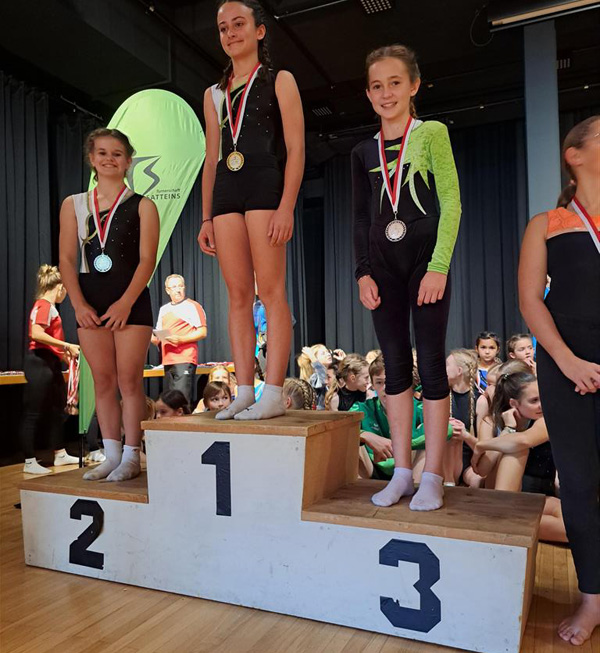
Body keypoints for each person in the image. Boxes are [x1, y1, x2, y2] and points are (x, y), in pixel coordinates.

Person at [352, 45, 461, 511]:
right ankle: (401, 472)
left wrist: (439, 266)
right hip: (383, 267)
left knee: (431, 363)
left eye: (395, 83)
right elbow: (361, 218)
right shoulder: (362, 152)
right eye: (377, 86)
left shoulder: (432, 133)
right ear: (368, 93)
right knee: (394, 366)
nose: (386, 93)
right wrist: (362, 272)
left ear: (414, 85)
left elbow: (450, 202)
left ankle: (432, 474)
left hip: (424, 262)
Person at [197, 0, 304, 421]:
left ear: (259, 31)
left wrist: (286, 206)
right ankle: (244, 390)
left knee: (271, 292)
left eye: (238, 24)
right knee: (238, 294)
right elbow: (210, 159)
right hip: (226, 191)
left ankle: (273, 391)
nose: (230, 33)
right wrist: (206, 216)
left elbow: (296, 148)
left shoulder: (280, 80)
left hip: (264, 185)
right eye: (223, 28)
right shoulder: (214, 94)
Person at [519, 115, 600, 645]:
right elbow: (530, 301)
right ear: (575, 155)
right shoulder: (546, 223)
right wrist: (568, 361)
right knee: (578, 481)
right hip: (564, 363)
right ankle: (592, 596)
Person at [59, 128, 160, 482]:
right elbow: (66, 260)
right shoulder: (74, 205)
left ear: (128, 161)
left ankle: (131, 455)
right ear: (91, 159)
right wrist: (78, 305)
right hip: (90, 301)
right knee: (102, 381)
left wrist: (125, 303)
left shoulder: (143, 205)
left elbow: (147, 260)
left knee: (129, 380)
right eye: (102, 153)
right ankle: (111, 454)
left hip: (130, 301)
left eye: (117, 153)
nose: (109, 159)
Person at [469, 371, 566, 545]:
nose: (541, 405)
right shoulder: (491, 421)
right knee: (516, 449)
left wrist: (482, 445)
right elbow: (482, 469)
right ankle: (503, 515)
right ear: (514, 403)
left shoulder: (545, 420)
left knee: (577, 525)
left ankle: (504, 523)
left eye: (542, 397)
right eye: (534, 401)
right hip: (503, 497)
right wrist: (508, 429)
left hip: (536, 496)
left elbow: (525, 439)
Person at [20, 265, 80, 474]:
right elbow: (36, 334)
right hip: (39, 362)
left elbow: (49, 342)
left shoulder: (50, 307)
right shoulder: (44, 305)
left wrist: (65, 356)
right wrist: (67, 345)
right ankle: (29, 461)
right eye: (66, 290)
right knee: (32, 413)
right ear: (60, 287)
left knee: (57, 410)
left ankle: (60, 453)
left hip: (49, 362)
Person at [151, 274, 208, 403]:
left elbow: (202, 331)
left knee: (181, 399)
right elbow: (159, 337)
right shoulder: (164, 309)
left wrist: (181, 339)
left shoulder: (192, 306)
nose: (178, 290)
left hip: (184, 358)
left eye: (180, 286)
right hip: (167, 360)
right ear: (167, 290)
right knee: (170, 400)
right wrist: (151, 338)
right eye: (174, 287)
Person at [445, 349, 481, 487]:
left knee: (477, 481)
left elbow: (484, 445)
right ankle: (449, 482)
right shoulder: (441, 397)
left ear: (459, 371)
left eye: (447, 365)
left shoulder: (480, 400)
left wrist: (465, 435)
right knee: (450, 432)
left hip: (471, 462)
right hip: (446, 460)